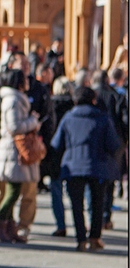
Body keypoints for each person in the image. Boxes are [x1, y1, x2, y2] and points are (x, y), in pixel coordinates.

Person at [51, 86, 121, 251]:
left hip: (73, 166)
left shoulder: (68, 118)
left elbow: (56, 143)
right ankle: (95, 238)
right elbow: (113, 145)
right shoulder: (103, 118)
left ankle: (81, 239)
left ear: (75, 100)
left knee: (77, 205)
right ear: (93, 100)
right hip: (98, 166)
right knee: (97, 203)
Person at [0, 69, 41, 244]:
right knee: (13, 191)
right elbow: (14, 127)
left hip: (14, 150)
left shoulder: (15, 98)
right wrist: (33, 121)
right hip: (13, 150)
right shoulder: (13, 99)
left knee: (15, 190)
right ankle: (0, 226)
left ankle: (9, 228)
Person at [92, 69, 128, 230]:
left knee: (93, 178)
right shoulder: (116, 96)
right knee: (110, 179)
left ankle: (93, 215)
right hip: (115, 141)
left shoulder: (91, 95)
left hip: (94, 139)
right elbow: (125, 119)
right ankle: (106, 217)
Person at [48, 76, 75, 236]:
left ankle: (60, 224)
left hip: (55, 153)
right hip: (72, 153)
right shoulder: (74, 106)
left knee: (56, 190)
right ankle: (80, 222)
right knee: (75, 192)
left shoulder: (50, 104)